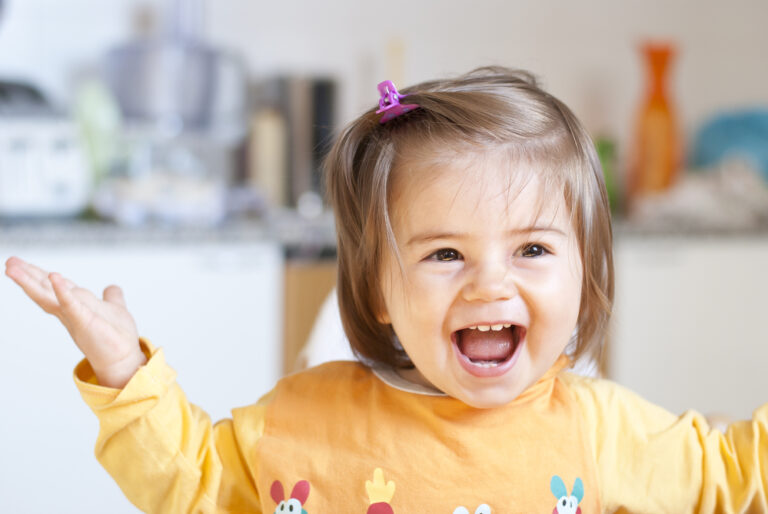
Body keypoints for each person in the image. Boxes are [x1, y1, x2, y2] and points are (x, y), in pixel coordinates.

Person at [4, 67, 766, 513]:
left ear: (586, 274)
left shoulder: (609, 435)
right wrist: (124, 374)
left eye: (532, 248)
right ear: (375, 290)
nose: (490, 283)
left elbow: (741, 475)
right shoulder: (308, 416)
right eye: (444, 255)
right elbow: (194, 482)